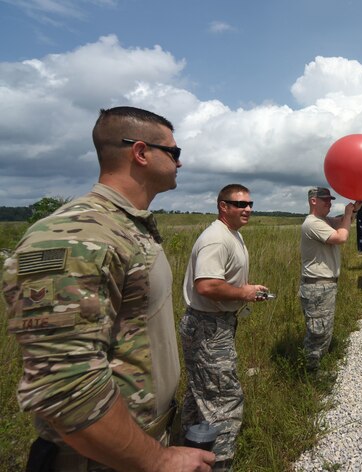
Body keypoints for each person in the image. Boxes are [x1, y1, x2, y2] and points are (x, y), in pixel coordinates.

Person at [1, 106, 214, 471]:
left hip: (133, 445)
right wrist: (157, 460)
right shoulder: (79, 234)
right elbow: (65, 388)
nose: (180, 163)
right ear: (141, 152)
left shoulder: (127, 227)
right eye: (174, 153)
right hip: (100, 458)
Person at [180, 184, 269, 470]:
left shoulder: (232, 235)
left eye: (250, 204)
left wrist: (246, 289)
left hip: (215, 325)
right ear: (223, 206)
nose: (248, 209)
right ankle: (219, 464)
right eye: (240, 204)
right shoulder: (217, 239)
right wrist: (243, 293)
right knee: (224, 401)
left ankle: (186, 456)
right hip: (208, 328)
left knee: (200, 395)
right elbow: (206, 285)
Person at [299, 187, 362, 372]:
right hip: (317, 287)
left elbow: (343, 222)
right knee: (317, 333)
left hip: (323, 286)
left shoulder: (323, 221)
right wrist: (349, 212)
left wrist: (354, 211)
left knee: (324, 331)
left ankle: (318, 367)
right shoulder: (312, 223)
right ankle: (311, 374)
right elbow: (341, 236)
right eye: (325, 200)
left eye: (330, 199)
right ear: (313, 201)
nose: (330, 202)